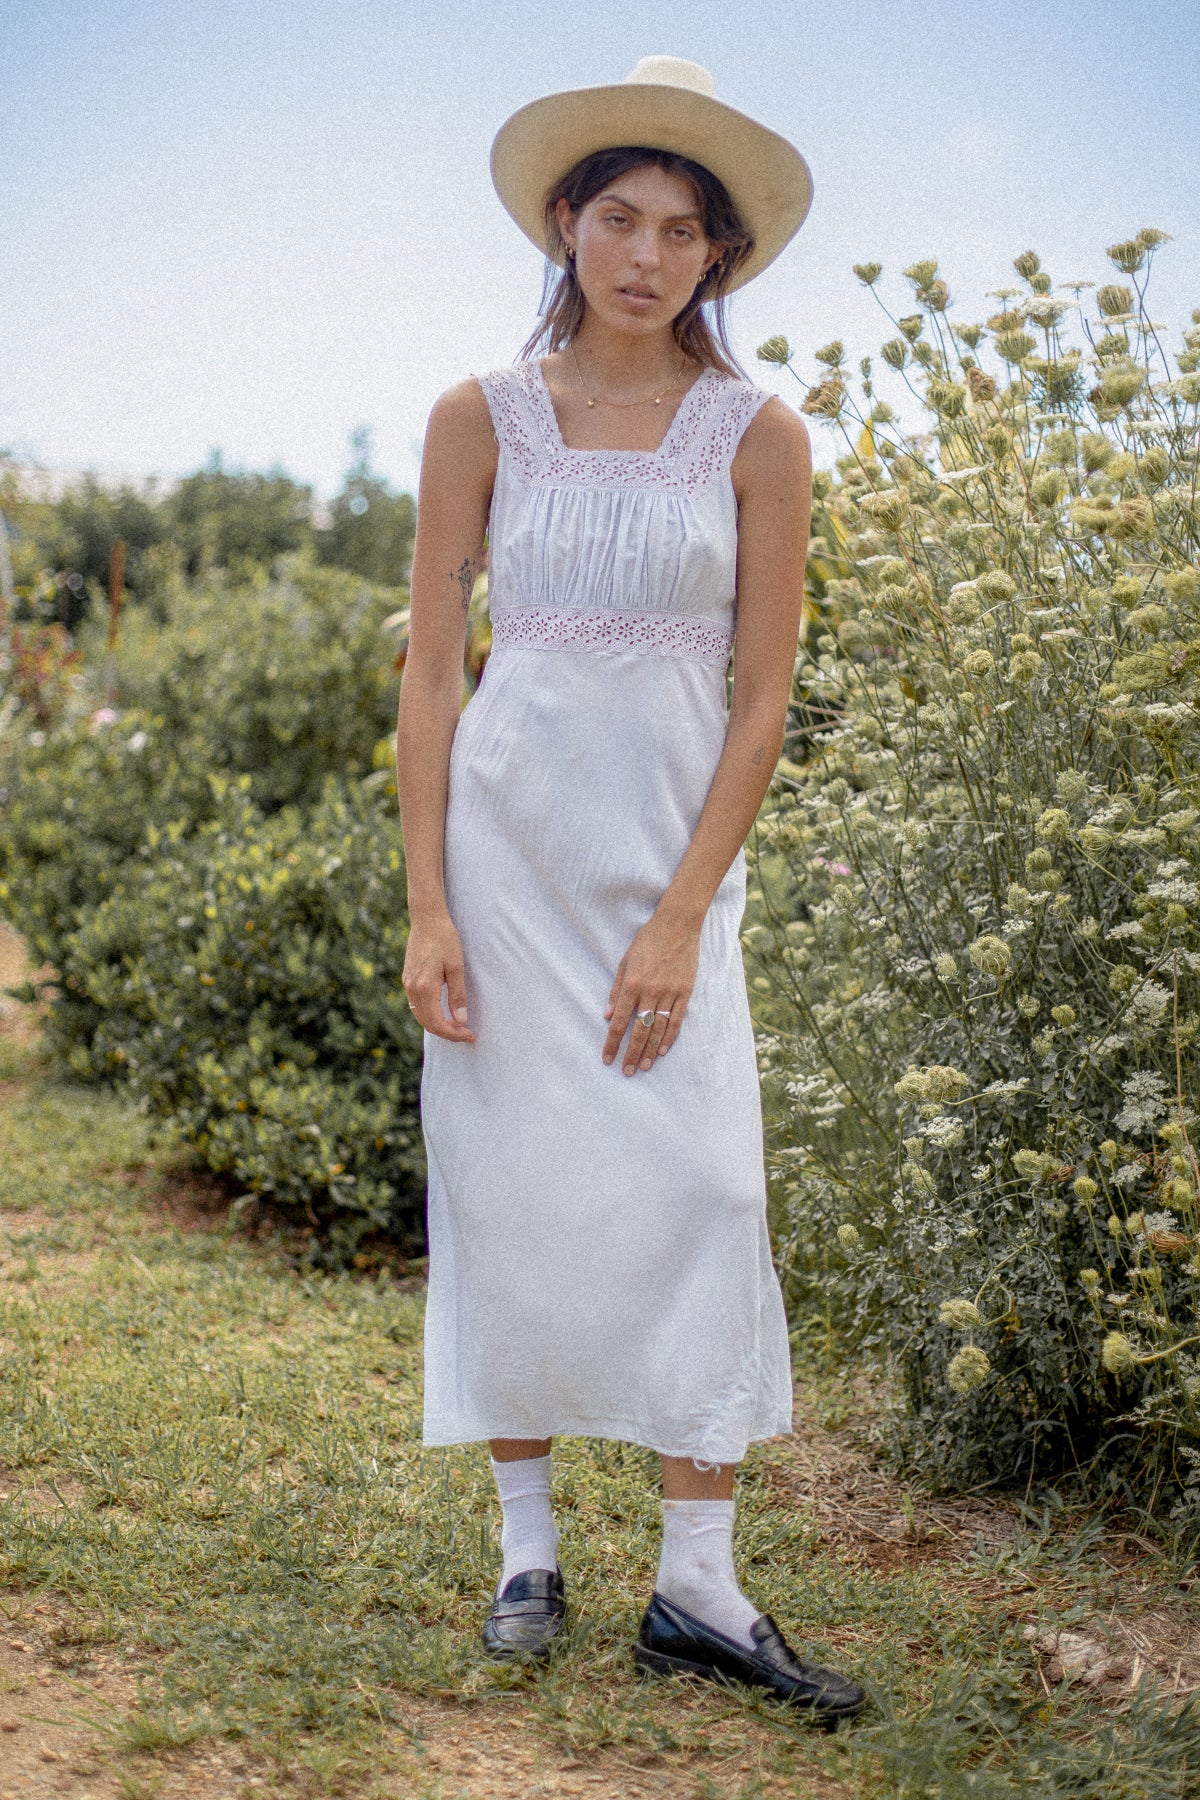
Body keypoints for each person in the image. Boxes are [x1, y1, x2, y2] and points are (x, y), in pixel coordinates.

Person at [396, 55, 866, 1725]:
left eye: (683, 231)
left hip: (667, 868)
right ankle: (527, 1551)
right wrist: (429, 906)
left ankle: (700, 1582)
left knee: (705, 1193)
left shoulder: (761, 431)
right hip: (502, 864)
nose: (648, 255)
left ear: (719, 258)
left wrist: (684, 912)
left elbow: (761, 699)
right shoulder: (480, 414)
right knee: (511, 1185)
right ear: (564, 226)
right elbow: (436, 675)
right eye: (619, 219)